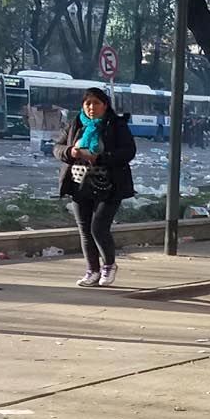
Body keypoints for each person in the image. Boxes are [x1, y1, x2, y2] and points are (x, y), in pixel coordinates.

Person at [56, 87, 137, 288]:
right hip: (79, 185)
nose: (92, 108)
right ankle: (92, 270)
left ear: (105, 105)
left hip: (109, 186)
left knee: (98, 227)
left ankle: (109, 265)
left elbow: (128, 152)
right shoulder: (75, 124)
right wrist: (70, 152)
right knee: (84, 229)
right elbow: (57, 148)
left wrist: (100, 158)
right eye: (88, 103)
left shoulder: (116, 125)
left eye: (97, 103)